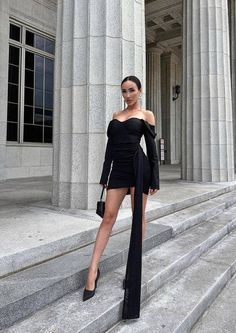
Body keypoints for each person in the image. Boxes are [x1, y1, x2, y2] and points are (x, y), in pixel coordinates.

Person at [83, 75, 160, 319]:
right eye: (124, 91)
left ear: (140, 91)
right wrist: (105, 176)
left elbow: (152, 149)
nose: (127, 95)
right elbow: (109, 150)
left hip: (140, 168)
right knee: (108, 217)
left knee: (139, 218)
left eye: (131, 90)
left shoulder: (146, 115)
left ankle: (133, 271)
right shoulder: (116, 116)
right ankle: (92, 270)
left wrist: (155, 179)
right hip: (119, 169)